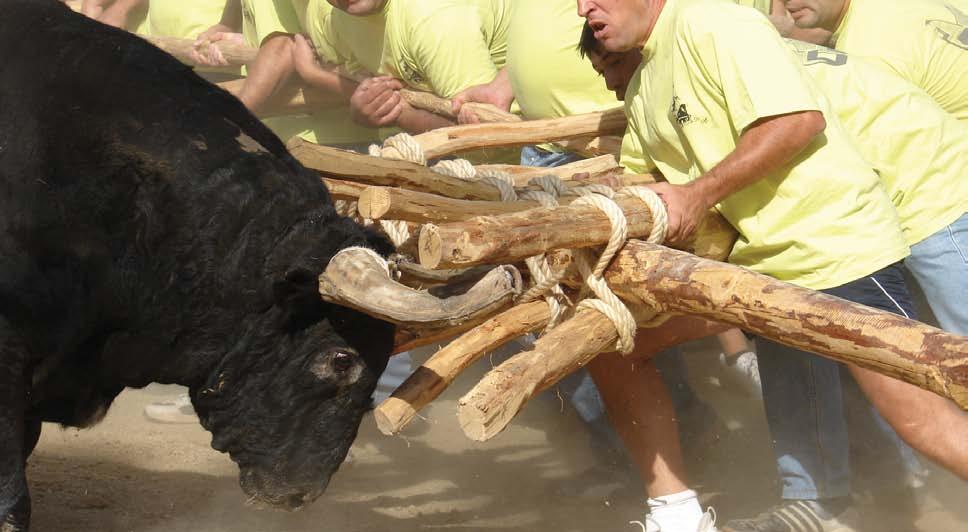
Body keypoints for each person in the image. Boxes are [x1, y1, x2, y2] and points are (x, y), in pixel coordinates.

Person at [577, 1, 968, 531]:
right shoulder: (645, 83)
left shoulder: (714, 23)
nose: (583, 8)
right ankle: (782, 507)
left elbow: (798, 120)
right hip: (768, 267)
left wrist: (697, 193)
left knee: (921, 420)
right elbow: (643, 186)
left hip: (838, 242)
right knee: (621, 345)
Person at [290, 0, 510, 135]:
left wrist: (400, 116)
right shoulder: (335, 15)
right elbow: (364, 78)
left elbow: (490, 138)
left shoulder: (432, 20)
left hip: (533, 154)